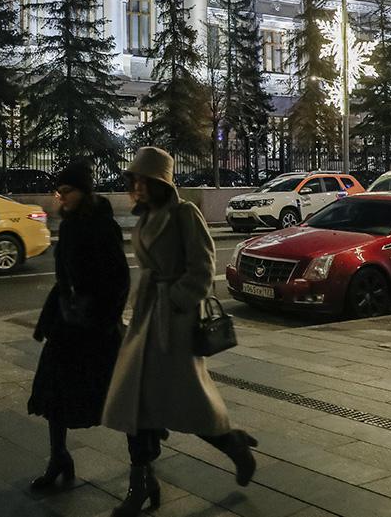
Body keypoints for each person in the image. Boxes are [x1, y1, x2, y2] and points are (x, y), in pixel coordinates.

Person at [101, 147, 257, 516]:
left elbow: (203, 268)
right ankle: (142, 484)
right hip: (145, 323)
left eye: (143, 179)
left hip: (173, 324)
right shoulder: (144, 218)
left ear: (160, 182)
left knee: (188, 403)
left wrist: (173, 301)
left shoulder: (184, 213)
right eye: (133, 179)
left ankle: (234, 445)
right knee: (135, 405)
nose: (136, 186)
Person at [28, 161, 130, 491]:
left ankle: (143, 469)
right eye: (59, 192)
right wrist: (62, 306)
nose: (61, 198)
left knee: (119, 397)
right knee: (54, 392)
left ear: (83, 190)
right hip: (69, 323)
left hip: (98, 326)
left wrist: (104, 318)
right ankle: (58, 457)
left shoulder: (102, 225)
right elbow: (63, 274)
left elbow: (120, 280)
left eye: (66, 191)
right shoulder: (70, 224)